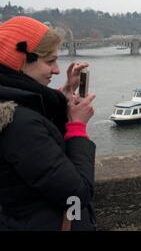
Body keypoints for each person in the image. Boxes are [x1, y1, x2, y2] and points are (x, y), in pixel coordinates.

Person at [0, 16, 97, 231]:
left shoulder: (14, 106)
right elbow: (76, 196)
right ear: (22, 60)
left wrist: (63, 95)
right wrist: (78, 128)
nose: (57, 70)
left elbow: (41, 133)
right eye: (50, 61)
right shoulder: (18, 124)